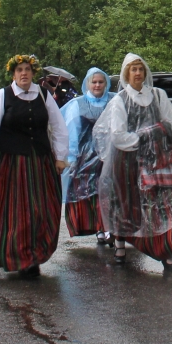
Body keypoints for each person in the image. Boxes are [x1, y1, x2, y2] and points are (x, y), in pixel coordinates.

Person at [96, 54, 172, 274]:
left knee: (161, 206)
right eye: (133, 69)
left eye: (141, 69)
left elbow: (170, 124)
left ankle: (166, 254)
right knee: (126, 204)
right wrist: (147, 136)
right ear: (126, 74)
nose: (138, 73)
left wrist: (157, 140)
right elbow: (118, 135)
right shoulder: (120, 100)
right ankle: (120, 247)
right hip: (129, 160)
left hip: (156, 162)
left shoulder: (159, 95)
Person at [0, 55, 69, 280]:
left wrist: (60, 156)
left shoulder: (44, 95)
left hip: (40, 162)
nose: (24, 73)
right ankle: (16, 257)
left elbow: (58, 127)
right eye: (19, 69)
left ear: (33, 73)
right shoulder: (4, 95)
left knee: (41, 210)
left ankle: (34, 255)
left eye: (27, 69)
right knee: (15, 212)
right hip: (12, 163)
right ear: (13, 74)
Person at [59, 67, 112, 245]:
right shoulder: (78, 104)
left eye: (100, 82)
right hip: (87, 157)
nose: (97, 85)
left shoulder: (114, 101)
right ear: (87, 84)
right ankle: (99, 227)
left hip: (110, 155)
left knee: (109, 192)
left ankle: (110, 227)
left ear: (106, 83)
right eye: (94, 82)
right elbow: (72, 132)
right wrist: (72, 158)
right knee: (91, 193)